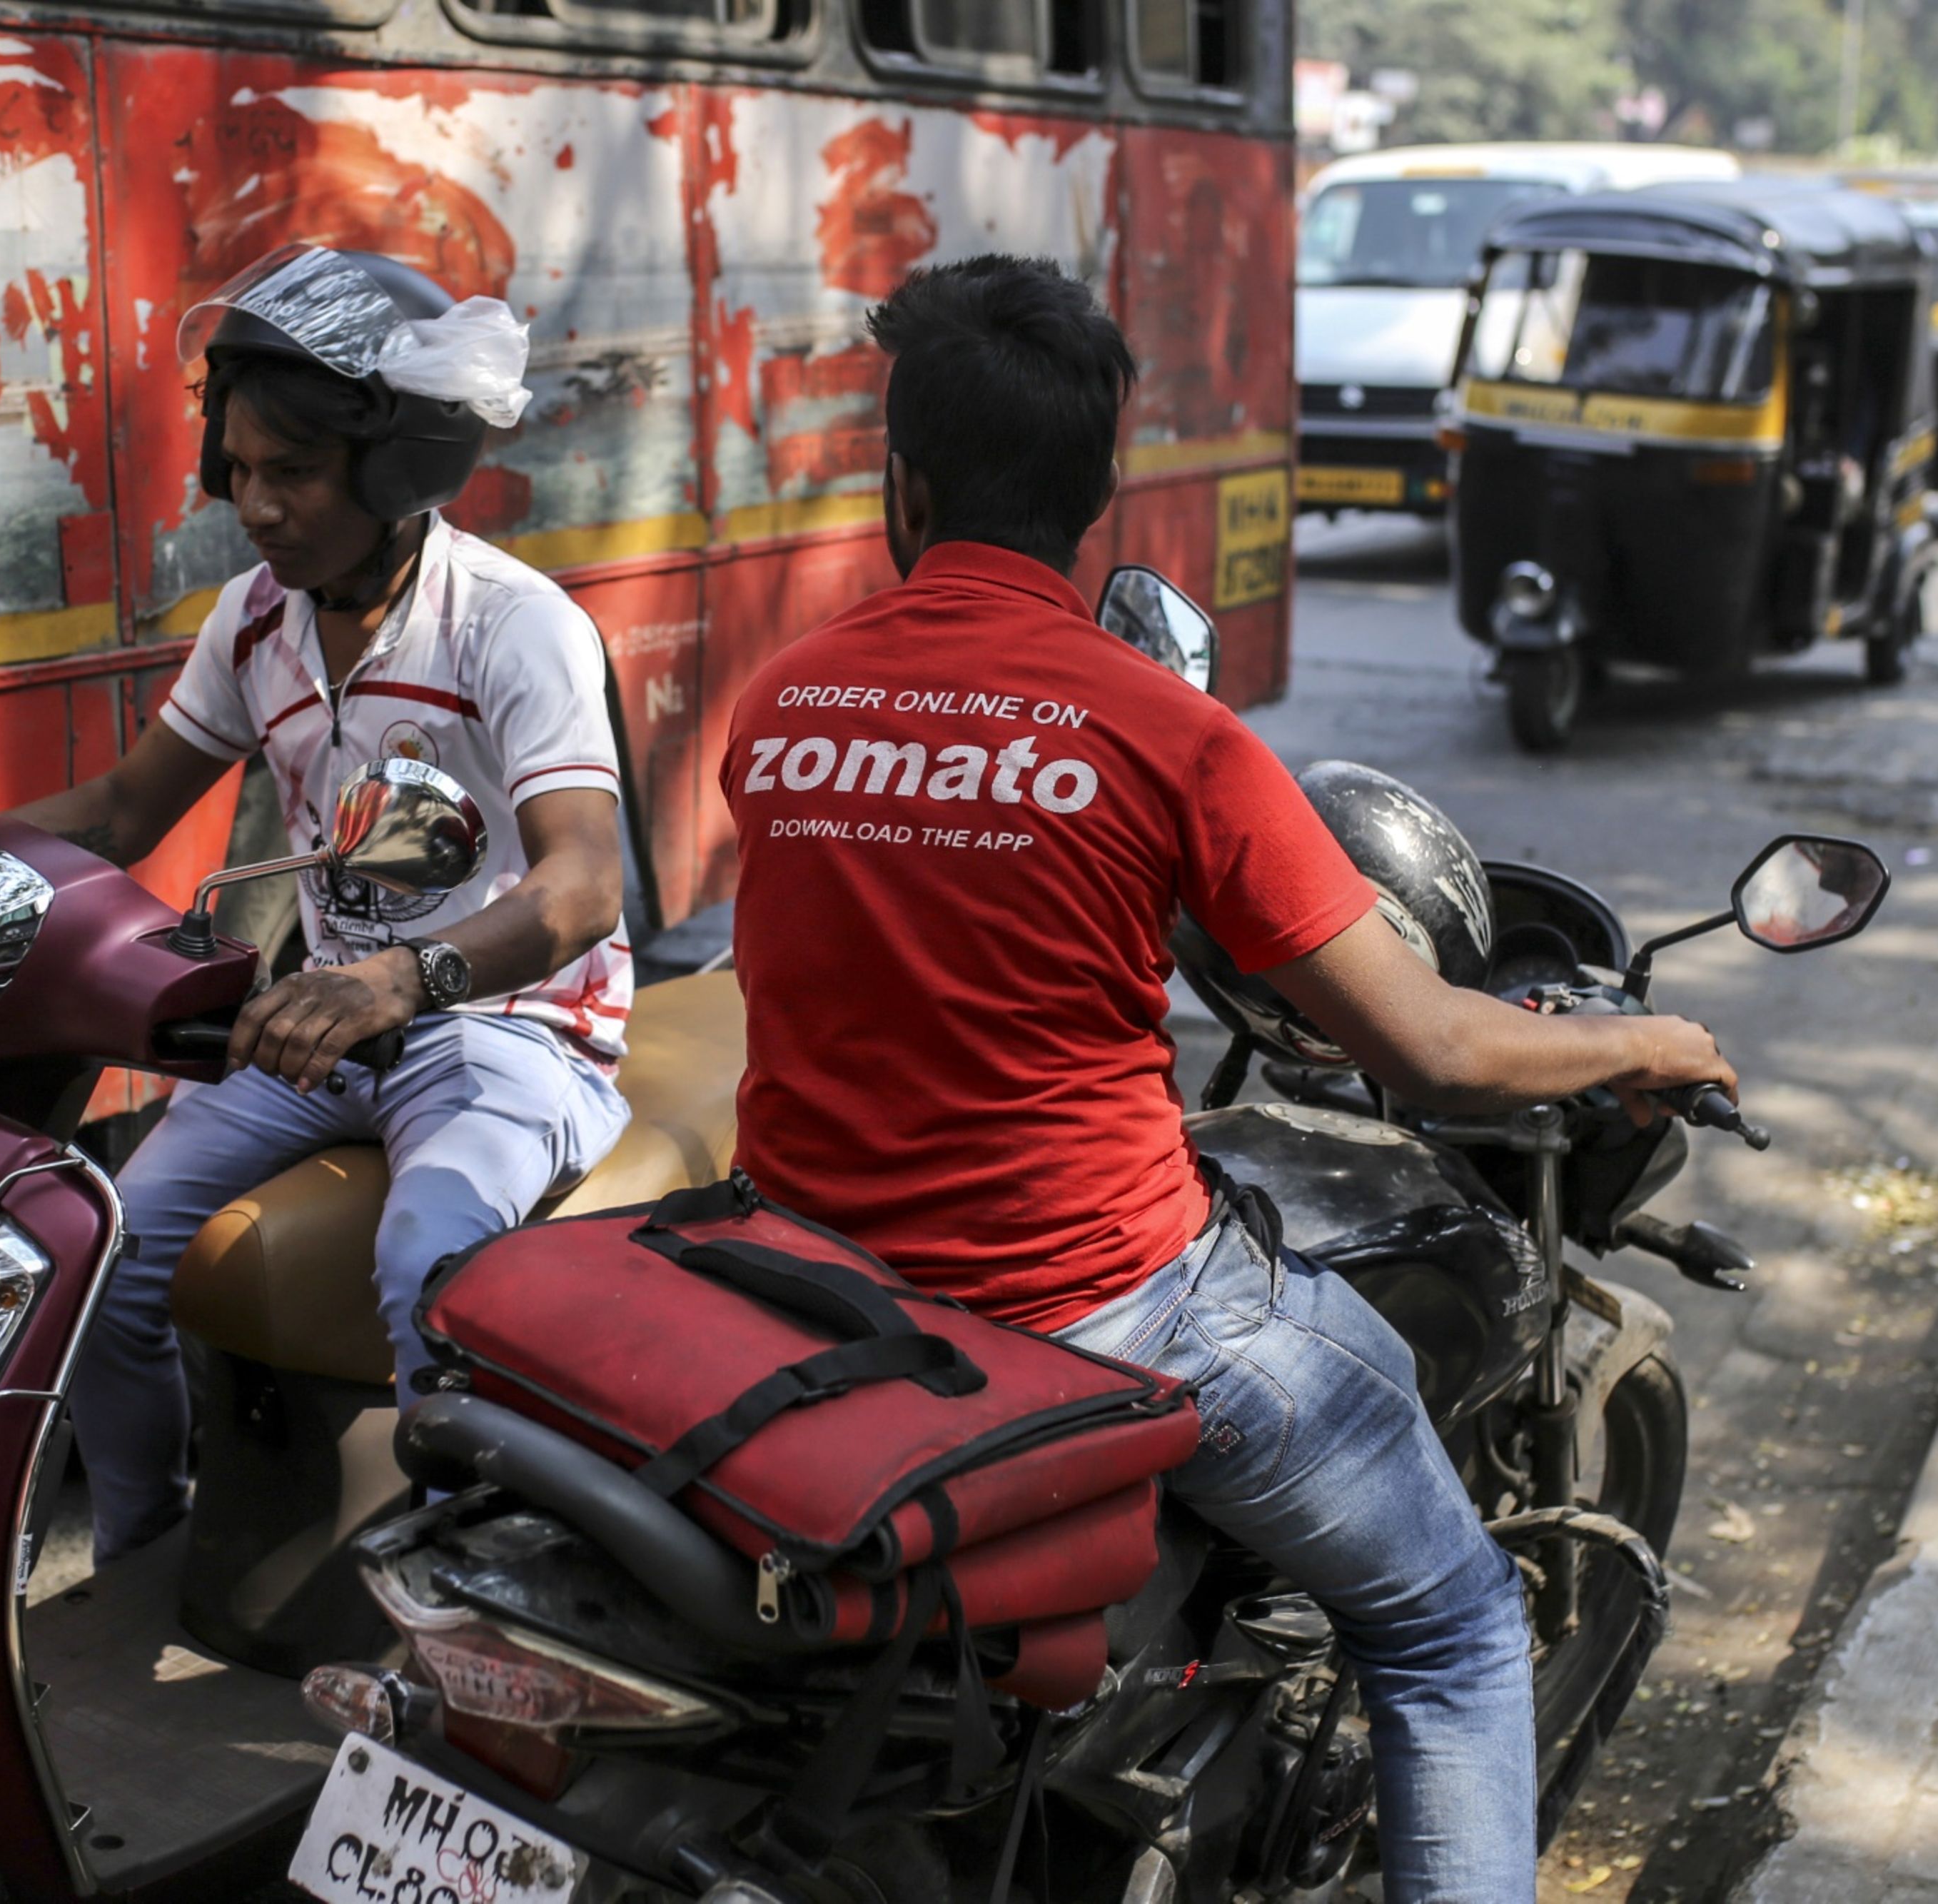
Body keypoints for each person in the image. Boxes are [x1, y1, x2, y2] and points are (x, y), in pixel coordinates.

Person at [718, 254, 1738, 1903]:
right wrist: (1643, 1039)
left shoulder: (782, 704)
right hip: (1098, 1306)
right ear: (1099, 489)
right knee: (1456, 1620)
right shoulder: (1169, 738)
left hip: (817, 1289)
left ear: (897, 480)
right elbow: (1437, 1043)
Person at [19, 244, 634, 1561]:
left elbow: (582, 884)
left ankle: (457, 1608)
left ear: (394, 467)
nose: (255, 505)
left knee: (429, 1265)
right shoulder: (255, 622)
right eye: (236, 471)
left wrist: (395, 982)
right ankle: (138, 1557)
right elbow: (124, 812)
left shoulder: (511, 627)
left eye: (289, 473)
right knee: (103, 1255)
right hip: (322, 1031)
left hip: (509, 1033)